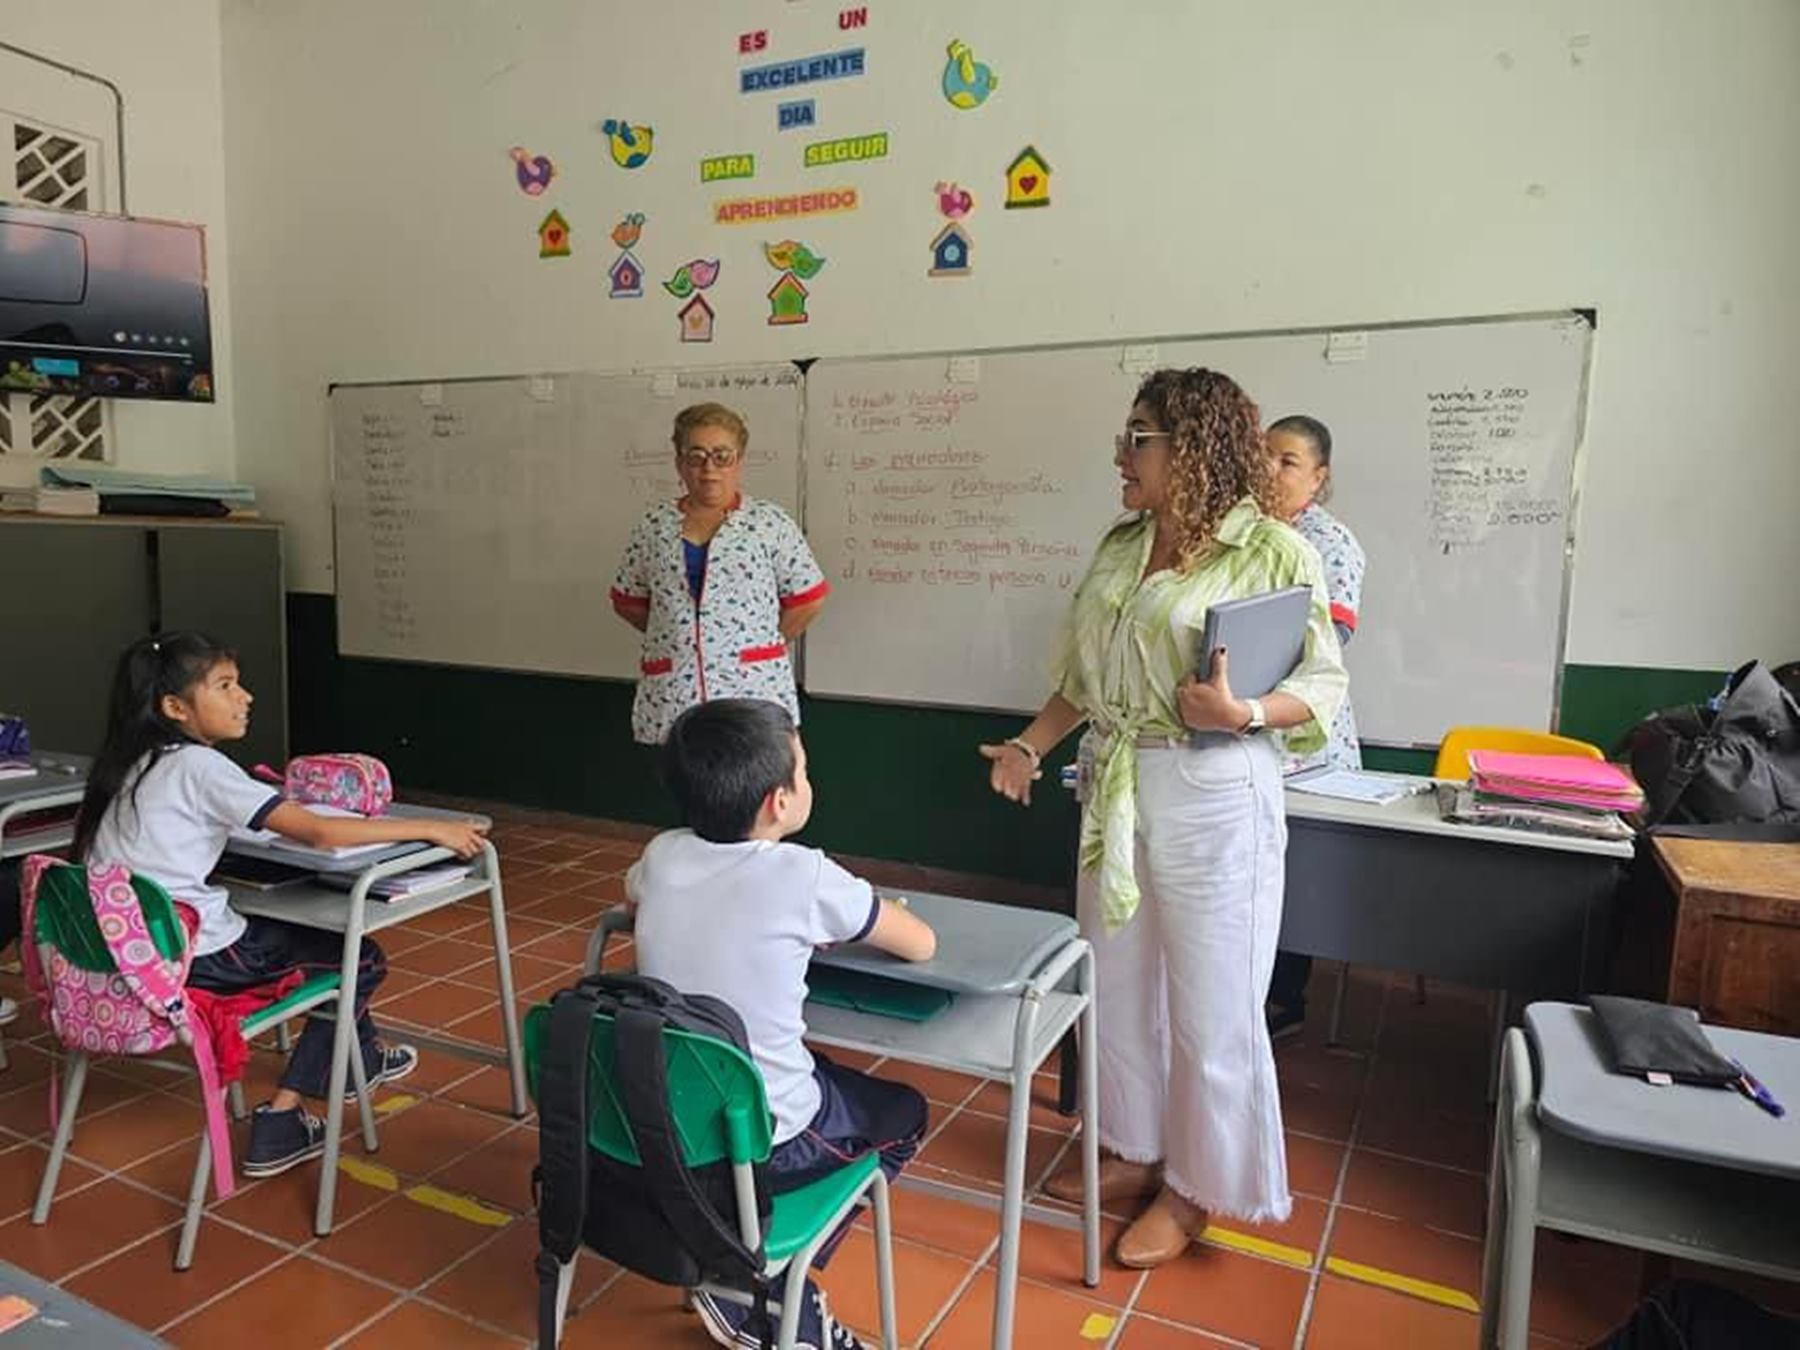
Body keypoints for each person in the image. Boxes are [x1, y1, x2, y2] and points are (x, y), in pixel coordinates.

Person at [980, 369, 1347, 1268]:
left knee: (1213, 998)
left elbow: (1322, 686)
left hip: (1216, 788)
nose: (1121, 453)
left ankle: (1199, 1189)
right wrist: (1030, 746)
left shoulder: (1273, 551)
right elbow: (1083, 676)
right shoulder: (1121, 543)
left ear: (1192, 446)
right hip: (1116, 783)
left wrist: (1246, 714)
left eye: (1138, 436)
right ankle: (1136, 1150)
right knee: (1118, 985)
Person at [73, 633, 487, 1177]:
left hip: (128, 959)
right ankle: (284, 1118)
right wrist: (435, 827)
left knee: (310, 939)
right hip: (193, 959)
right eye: (224, 686)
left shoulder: (126, 765)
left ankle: (360, 1055)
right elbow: (317, 832)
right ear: (175, 707)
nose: (244, 697)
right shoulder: (201, 767)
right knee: (357, 958)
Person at [626, 698, 937, 1350]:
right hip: (770, 1140)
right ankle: (772, 1285)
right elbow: (920, 945)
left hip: (665, 1120)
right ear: (778, 801)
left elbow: (634, 893)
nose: (808, 783)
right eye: (804, 771)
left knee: (810, 1072)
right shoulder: (804, 874)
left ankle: (740, 1262)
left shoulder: (660, 855)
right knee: (903, 1111)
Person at [611, 403, 830, 746]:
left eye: (721, 456)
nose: (708, 468)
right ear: (679, 463)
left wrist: (763, 642)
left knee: (752, 788)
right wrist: (684, 633)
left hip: (751, 688)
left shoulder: (768, 523)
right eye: (696, 456)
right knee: (687, 789)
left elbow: (809, 598)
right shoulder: (653, 526)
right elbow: (628, 601)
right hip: (675, 694)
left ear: (739, 460)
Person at [1264, 413, 1368, 1040]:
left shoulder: (1330, 544)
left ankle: (1286, 999)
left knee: (1295, 880)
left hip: (1305, 746)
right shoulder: (1244, 535)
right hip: (1244, 736)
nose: (1270, 471)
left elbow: (1333, 639)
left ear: (1319, 478)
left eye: (1288, 462)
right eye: (1265, 457)